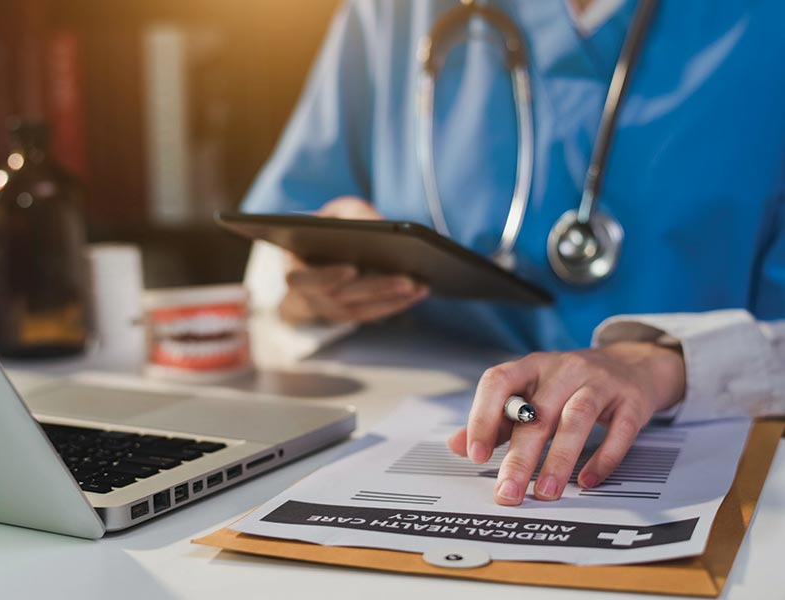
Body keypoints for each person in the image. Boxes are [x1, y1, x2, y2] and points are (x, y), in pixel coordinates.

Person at [241, 0, 785, 506]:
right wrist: (309, 283)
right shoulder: (394, 12)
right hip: (418, 439)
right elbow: (273, 257)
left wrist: (673, 362)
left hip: (726, 467)